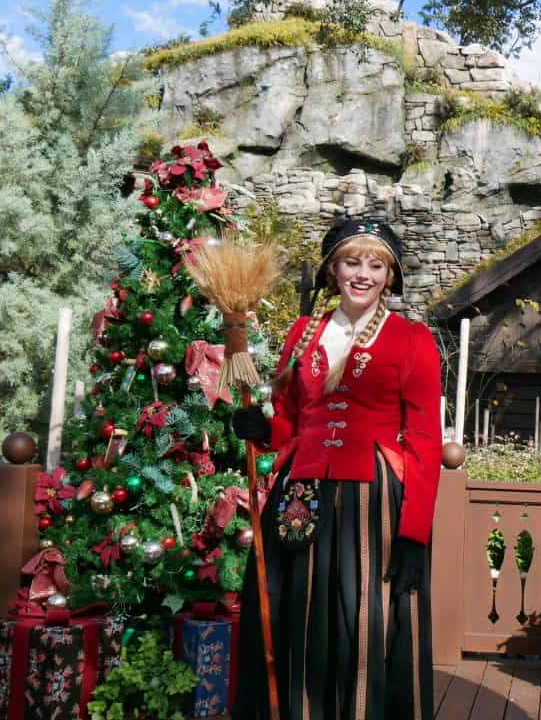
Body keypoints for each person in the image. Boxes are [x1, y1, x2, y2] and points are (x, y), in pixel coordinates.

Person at [230, 219, 443, 720]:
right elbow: (288, 423)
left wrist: (413, 533)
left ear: (389, 276)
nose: (363, 275)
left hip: (371, 504)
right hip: (299, 494)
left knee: (361, 623)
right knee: (295, 621)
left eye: (376, 265)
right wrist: (259, 429)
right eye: (352, 262)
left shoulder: (411, 338)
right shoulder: (303, 333)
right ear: (332, 269)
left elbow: (426, 442)